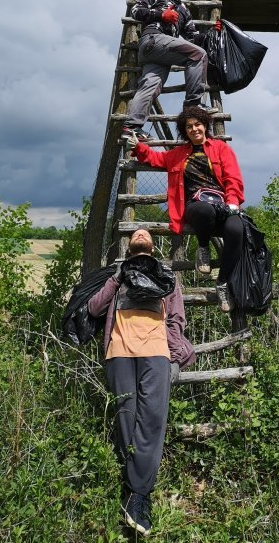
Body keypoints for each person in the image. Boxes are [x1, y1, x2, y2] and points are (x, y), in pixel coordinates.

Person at [88, 228, 195, 537]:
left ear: (152, 246)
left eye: (145, 233)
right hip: (119, 352)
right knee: (126, 417)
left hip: (156, 354)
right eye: (137, 233)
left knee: (151, 421)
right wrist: (117, 277)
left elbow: (176, 318)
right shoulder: (118, 275)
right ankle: (137, 493)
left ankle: (137, 497)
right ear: (132, 247)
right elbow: (94, 308)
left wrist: (175, 354)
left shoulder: (165, 276)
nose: (141, 233)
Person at [130, 106, 244, 313]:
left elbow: (232, 178)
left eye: (197, 124)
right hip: (195, 206)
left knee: (237, 229)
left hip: (223, 204)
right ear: (185, 131)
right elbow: (155, 159)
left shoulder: (221, 149)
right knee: (203, 211)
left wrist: (233, 202)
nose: (194, 129)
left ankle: (223, 282)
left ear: (205, 125)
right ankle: (203, 248)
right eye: (189, 126)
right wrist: (138, 147)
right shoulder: (178, 155)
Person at [122, 0, 218, 142]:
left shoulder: (184, 11)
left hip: (162, 55)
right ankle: (192, 105)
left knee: (150, 86)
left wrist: (213, 34)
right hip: (153, 39)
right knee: (199, 55)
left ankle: (131, 127)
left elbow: (192, 38)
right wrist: (161, 15)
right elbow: (135, 11)